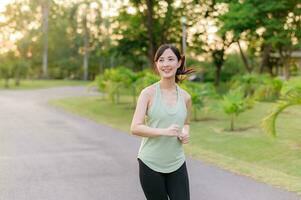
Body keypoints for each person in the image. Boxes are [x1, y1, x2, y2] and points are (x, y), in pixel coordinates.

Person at [130, 44, 193, 200]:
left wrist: (185, 133)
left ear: (179, 63)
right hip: (150, 163)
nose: (166, 64)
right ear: (156, 64)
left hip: (177, 162)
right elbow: (135, 127)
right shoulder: (148, 94)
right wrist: (164, 132)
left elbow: (186, 123)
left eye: (171, 59)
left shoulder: (186, 97)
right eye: (161, 60)